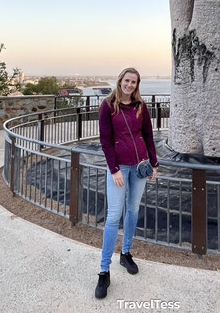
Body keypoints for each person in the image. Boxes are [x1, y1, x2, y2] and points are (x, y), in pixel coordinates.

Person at [95, 67, 159, 299]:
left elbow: (149, 136)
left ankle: (126, 253)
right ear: (120, 80)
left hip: (140, 166)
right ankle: (104, 270)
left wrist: (154, 163)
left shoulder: (141, 107)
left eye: (134, 82)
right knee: (113, 216)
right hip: (119, 168)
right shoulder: (108, 106)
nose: (130, 85)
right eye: (127, 80)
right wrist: (114, 169)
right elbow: (105, 140)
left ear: (137, 85)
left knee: (132, 210)